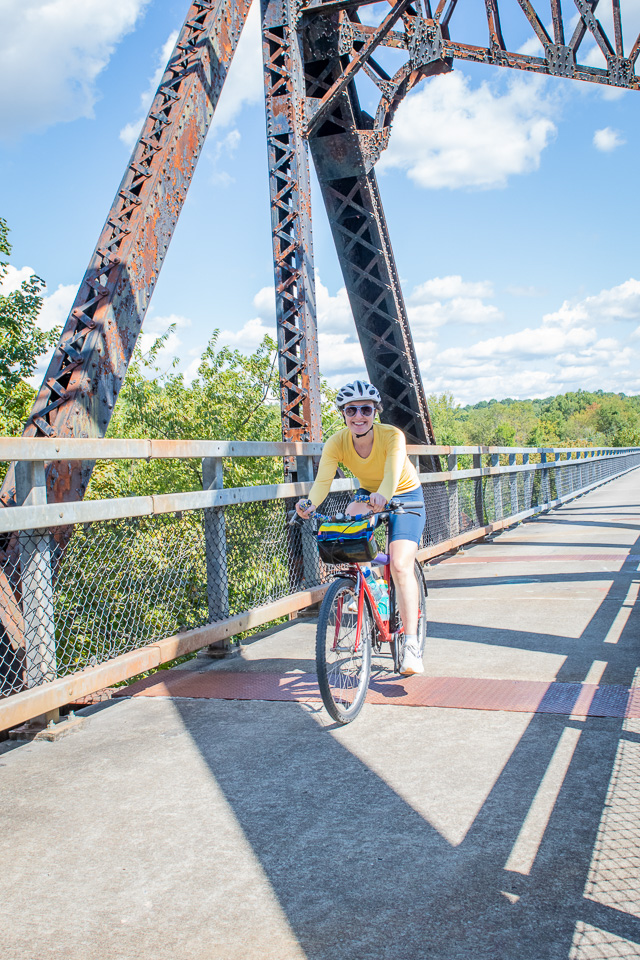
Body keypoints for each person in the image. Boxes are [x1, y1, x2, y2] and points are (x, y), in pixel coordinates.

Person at [295, 379, 427, 676]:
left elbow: (392, 474)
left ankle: (411, 644)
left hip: (405, 495)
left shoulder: (391, 436)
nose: (358, 416)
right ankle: (373, 586)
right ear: (343, 413)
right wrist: (309, 504)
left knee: (401, 565)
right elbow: (322, 483)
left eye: (366, 409)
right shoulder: (337, 442)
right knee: (348, 533)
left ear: (375, 411)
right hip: (370, 494)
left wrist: (384, 496)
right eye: (351, 410)